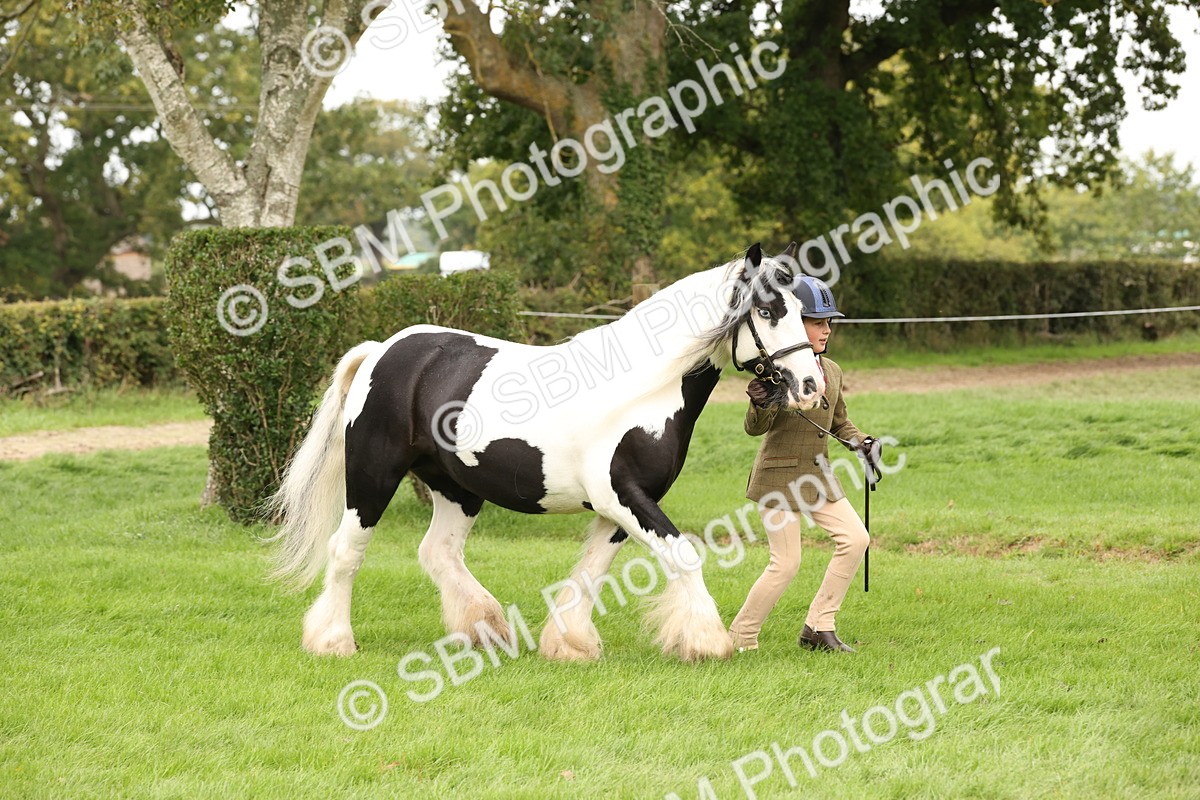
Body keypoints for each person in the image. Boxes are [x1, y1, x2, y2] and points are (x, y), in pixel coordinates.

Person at [729, 275, 879, 653]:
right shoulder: (774, 370)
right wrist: (760, 402)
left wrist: (862, 443)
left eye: (829, 322)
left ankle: (818, 627)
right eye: (818, 322)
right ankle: (741, 637)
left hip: (818, 476)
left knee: (856, 539)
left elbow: (840, 420)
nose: (826, 329)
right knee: (786, 563)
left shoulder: (832, 371)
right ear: (796, 322)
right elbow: (754, 429)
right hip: (778, 477)